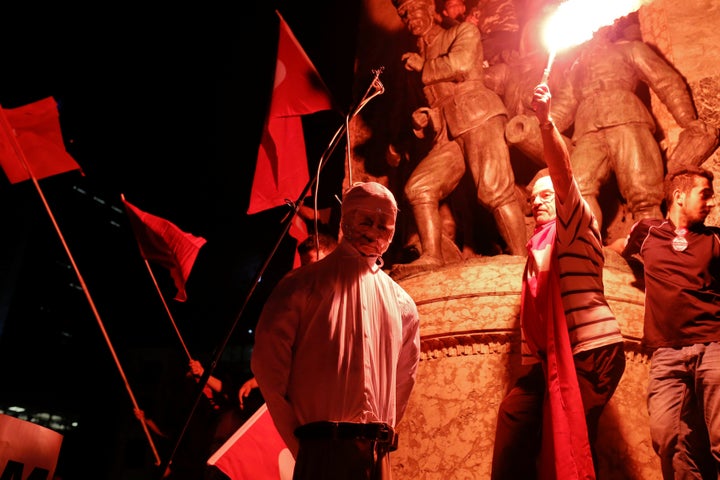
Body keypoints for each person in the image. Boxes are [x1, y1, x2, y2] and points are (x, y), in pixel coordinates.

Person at [491, 84, 626, 479]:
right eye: (532, 197)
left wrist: (546, 122)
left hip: (590, 351)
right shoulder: (537, 246)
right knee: (516, 418)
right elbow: (535, 315)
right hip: (552, 356)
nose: (537, 201)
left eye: (545, 194)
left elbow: (563, 175)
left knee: (572, 439)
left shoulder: (576, 226)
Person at [252, 181, 421, 479]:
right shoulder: (301, 285)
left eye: (386, 225)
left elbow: (404, 378)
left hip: (375, 453)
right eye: (366, 220)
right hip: (320, 448)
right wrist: (299, 442)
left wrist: (384, 434)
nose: (375, 232)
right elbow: (268, 367)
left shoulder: (402, 303)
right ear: (346, 220)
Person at [507, 15, 718, 232]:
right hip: (588, 132)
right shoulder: (576, 70)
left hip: (627, 121)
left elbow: (666, 82)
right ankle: (590, 250)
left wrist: (687, 119)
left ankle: (651, 255)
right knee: (576, 189)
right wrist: (538, 120)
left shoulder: (629, 51)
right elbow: (563, 108)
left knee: (644, 194)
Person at [390, 0, 527, 279]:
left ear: (430, 10)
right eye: (404, 14)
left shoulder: (462, 32)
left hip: (478, 115)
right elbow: (432, 100)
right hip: (447, 133)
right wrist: (423, 120)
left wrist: (424, 65)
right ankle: (432, 256)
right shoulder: (417, 55)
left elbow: (463, 64)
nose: (410, 18)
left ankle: (523, 260)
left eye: (415, 10)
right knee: (419, 188)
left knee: (493, 191)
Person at [615, 166, 720, 479]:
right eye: (705, 194)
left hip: (714, 348)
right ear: (679, 196)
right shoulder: (646, 232)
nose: (712, 203)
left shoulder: (715, 240)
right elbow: (617, 249)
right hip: (666, 355)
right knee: (666, 438)